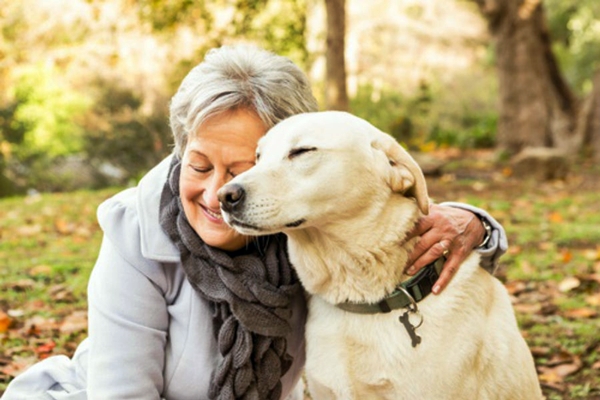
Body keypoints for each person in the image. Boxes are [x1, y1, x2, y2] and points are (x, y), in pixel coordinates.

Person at [2, 44, 507, 400]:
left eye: (242, 170)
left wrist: (477, 223)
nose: (220, 191)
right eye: (199, 165)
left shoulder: (304, 231)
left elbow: (385, 229)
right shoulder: (137, 233)